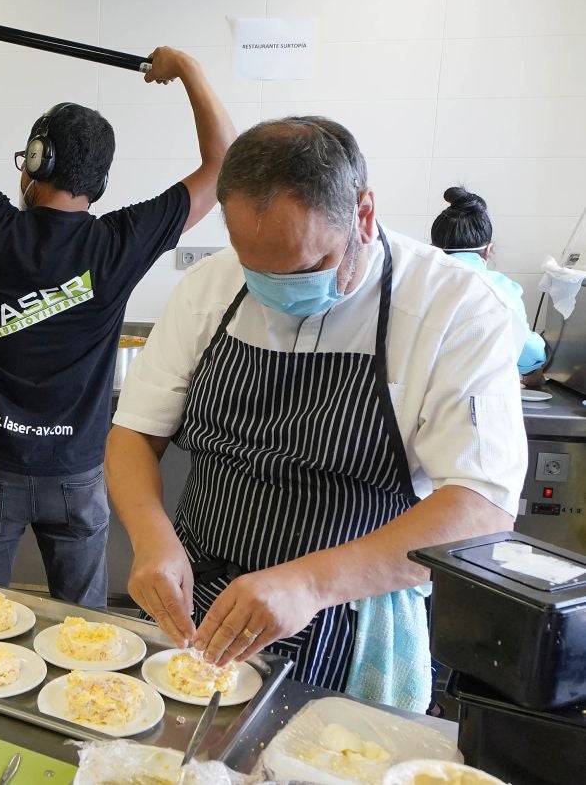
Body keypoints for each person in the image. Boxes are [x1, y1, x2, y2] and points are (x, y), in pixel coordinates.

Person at [105, 117, 525, 710]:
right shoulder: (209, 286)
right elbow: (134, 433)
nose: (279, 290)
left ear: (363, 213)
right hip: (204, 597)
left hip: (349, 611)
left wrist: (311, 580)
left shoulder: (452, 307)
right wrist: (152, 541)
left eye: (305, 268)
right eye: (257, 269)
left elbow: (482, 508)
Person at [0, 0, 235, 608]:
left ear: (36, 161)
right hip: (78, 473)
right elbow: (223, 165)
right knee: (83, 627)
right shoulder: (121, 242)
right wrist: (189, 69)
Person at [431, 185, 546, 377]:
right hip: (475, 396)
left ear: (432, 247)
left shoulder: (414, 281)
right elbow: (528, 354)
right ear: (487, 250)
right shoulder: (500, 288)